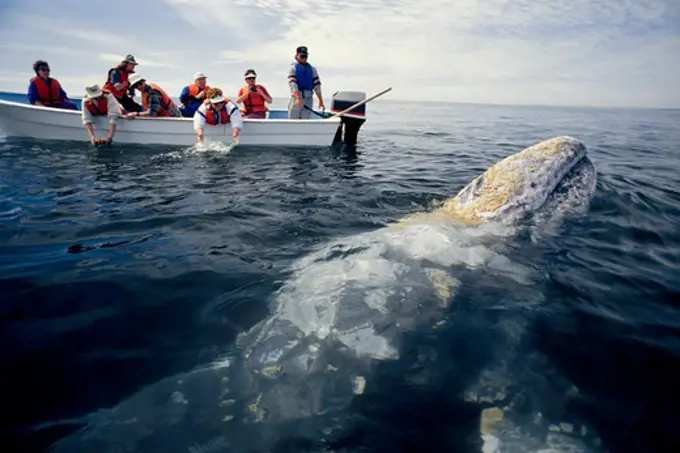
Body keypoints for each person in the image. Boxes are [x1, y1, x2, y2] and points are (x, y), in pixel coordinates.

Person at [287, 46, 324, 119]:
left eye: (306, 56)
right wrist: (298, 99)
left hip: (308, 99)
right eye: (302, 56)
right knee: (293, 122)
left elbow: (317, 86)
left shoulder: (312, 69)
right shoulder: (293, 68)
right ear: (297, 55)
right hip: (296, 99)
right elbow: (293, 85)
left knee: (305, 121)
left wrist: (321, 100)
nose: (304, 58)